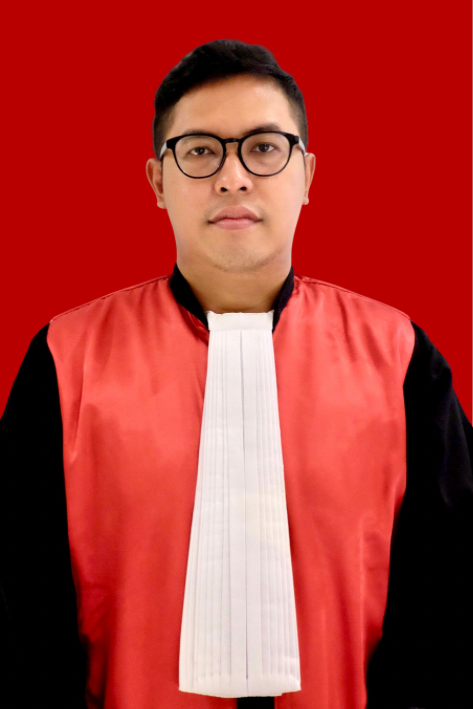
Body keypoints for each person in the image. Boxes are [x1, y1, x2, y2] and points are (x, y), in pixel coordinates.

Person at [0, 39, 472, 709]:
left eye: (263, 147)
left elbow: (452, 590)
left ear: (306, 174)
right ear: (157, 181)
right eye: (199, 151)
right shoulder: (66, 358)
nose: (232, 177)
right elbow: (18, 599)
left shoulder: (399, 357)